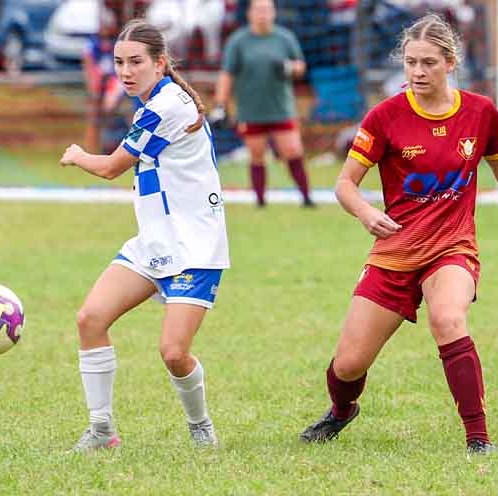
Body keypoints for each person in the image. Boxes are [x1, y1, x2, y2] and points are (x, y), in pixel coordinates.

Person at [298, 13, 498, 454]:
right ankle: (341, 410)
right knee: (349, 363)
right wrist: (363, 212)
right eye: (410, 62)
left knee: (448, 319)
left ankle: (478, 438)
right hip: (394, 252)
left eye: (428, 63)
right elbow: (344, 184)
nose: (416, 72)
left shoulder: (479, 112)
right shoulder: (386, 116)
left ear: (450, 62)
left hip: (452, 247)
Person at [59, 19, 230, 452]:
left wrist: (79, 155)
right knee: (90, 319)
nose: (126, 71)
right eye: (119, 63)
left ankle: (201, 426)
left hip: (195, 248)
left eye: (136, 62)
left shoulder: (166, 107)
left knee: (174, 352)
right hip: (156, 241)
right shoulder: (156, 103)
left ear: (160, 62)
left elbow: (112, 167)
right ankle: (101, 431)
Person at [211, 0, 314, 208]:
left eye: (267, 10)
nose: (263, 14)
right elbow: (227, 74)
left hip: (281, 108)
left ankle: (306, 197)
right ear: (249, 13)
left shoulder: (285, 37)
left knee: (293, 150)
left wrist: (289, 68)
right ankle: (260, 201)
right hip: (251, 110)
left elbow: (301, 67)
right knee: (257, 155)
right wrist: (220, 104)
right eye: (258, 10)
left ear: (274, 13)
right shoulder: (238, 41)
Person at [83, 9, 126, 154]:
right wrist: (93, 86)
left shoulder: (117, 43)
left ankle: (115, 142)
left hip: (114, 81)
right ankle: (93, 148)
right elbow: (89, 66)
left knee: (109, 106)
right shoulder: (92, 44)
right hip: (100, 81)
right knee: (94, 113)